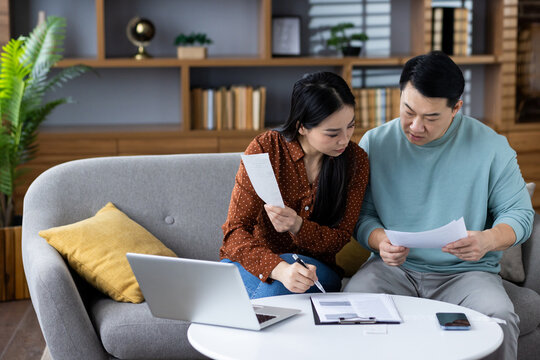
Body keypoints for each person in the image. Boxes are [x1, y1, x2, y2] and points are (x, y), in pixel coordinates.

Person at [344, 51, 534, 360]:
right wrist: (380, 241)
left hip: (467, 275)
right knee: (351, 305)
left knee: (499, 317)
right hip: (393, 270)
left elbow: (520, 215)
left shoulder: (491, 146)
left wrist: (486, 240)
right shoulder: (375, 143)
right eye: (408, 111)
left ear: (456, 108)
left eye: (431, 117)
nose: (416, 126)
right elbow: (361, 215)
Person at [220, 71, 369, 299]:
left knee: (281, 290)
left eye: (351, 126)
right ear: (301, 127)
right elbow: (235, 232)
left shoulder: (355, 161)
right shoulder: (265, 149)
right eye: (332, 133)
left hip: (316, 269)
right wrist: (280, 269)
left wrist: (298, 225)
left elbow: (339, 239)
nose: (345, 139)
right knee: (279, 287)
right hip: (256, 261)